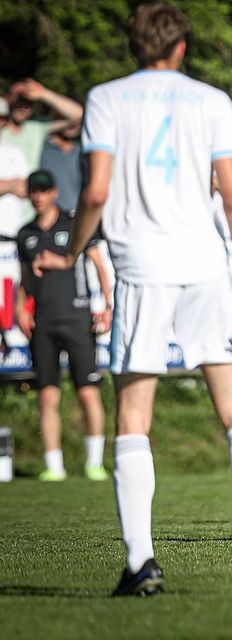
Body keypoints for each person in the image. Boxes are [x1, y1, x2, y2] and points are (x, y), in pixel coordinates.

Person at [33, 2, 232, 596]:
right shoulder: (212, 100)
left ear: (133, 45)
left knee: (134, 418)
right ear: (182, 47)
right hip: (205, 266)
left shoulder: (105, 98)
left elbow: (95, 193)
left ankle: (142, 562)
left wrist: (74, 250)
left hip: (140, 269)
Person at [15, 170, 111, 481]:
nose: (38, 196)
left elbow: (99, 264)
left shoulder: (73, 223)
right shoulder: (25, 233)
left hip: (77, 317)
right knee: (47, 395)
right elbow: (25, 278)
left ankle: (94, 463)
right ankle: (53, 467)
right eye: (33, 190)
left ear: (54, 192)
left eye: (43, 190)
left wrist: (107, 305)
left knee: (88, 393)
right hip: (43, 322)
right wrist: (20, 308)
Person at [1, 78, 83, 170]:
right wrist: (7, 99)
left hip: (30, 179)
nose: (22, 108)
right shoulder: (2, 129)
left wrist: (44, 94)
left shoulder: (36, 128)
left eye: (27, 104)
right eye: (18, 103)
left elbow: (78, 115)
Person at [39, 121, 83, 213]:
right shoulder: (40, 148)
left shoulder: (82, 151)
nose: (73, 124)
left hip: (79, 215)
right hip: (51, 217)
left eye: (77, 121)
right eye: (68, 120)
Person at [0, 99, 28, 240]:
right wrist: (14, 183)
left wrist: (4, 185)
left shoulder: (15, 152)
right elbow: (20, 184)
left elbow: (25, 189)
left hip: (13, 235)